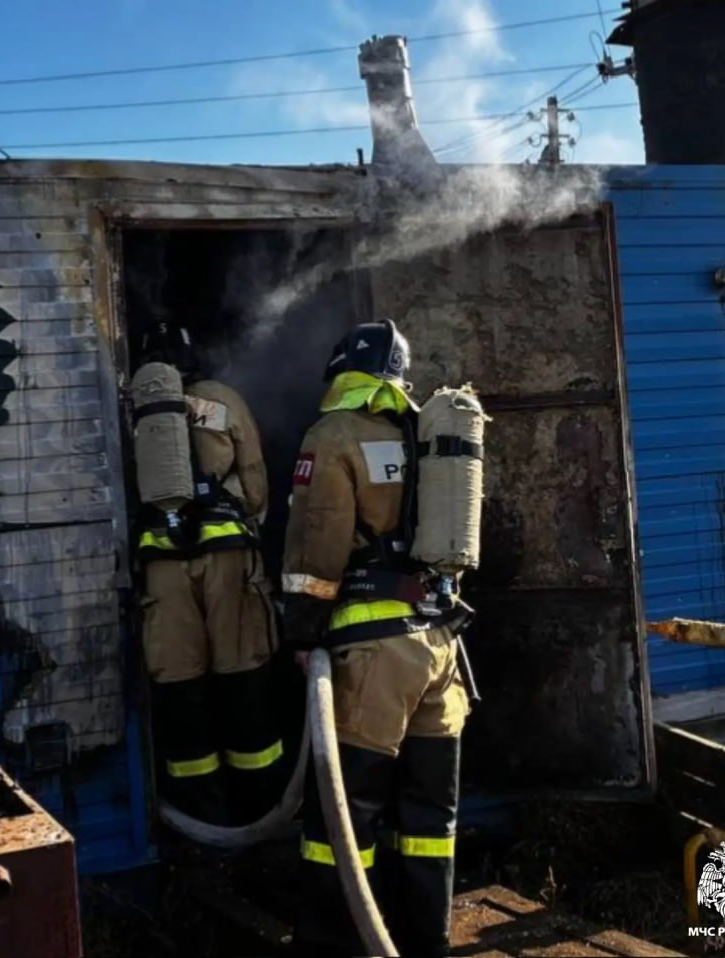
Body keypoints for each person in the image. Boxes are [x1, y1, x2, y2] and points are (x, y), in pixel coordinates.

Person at [281, 319, 473, 957]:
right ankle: (425, 944)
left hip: (373, 652)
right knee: (427, 822)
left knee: (342, 816)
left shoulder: (333, 433)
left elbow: (318, 542)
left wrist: (303, 632)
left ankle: (332, 945)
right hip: (440, 645)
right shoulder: (427, 434)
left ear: (342, 372)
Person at [134, 322, 285, 824]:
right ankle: (258, 801)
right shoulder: (221, 398)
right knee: (242, 670)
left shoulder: (133, 407)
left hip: (160, 563)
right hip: (226, 556)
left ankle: (200, 810)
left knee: (180, 683)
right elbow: (257, 480)